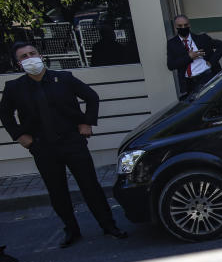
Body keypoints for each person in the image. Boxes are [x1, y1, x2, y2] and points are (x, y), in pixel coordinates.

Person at [0, 43, 128, 247]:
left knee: (90, 186)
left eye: (32, 53)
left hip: (72, 141)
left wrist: (87, 122)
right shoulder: (15, 88)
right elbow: (5, 114)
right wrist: (19, 135)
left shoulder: (64, 78)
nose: (30, 58)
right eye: (24, 56)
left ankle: (108, 225)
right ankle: (71, 230)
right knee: (57, 191)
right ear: (19, 63)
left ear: (40, 56)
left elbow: (91, 97)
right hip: (42, 147)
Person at [166, 14, 222, 98]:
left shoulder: (201, 38)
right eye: (180, 26)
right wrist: (189, 57)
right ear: (175, 27)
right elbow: (171, 65)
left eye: (185, 25)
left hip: (207, 76)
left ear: (189, 25)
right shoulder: (172, 44)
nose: (183, 28)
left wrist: (211, 62)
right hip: (190, 83)